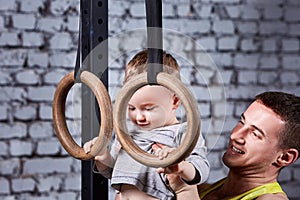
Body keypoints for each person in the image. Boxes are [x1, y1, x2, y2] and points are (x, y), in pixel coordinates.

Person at [83, 49, 210, 200]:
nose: (139, 117)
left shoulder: (184, 132)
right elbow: (115, 173)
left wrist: (181, 167)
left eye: (148, 108)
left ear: (175, 101)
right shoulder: (127, 135)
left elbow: (201, 168)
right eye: (131, 108)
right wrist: (103, 157)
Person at [161, 91, 300, 200]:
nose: (236, 135)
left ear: (285, 157)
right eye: (242, 122)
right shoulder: (203, 190)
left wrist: (185, 192)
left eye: (255, 134)